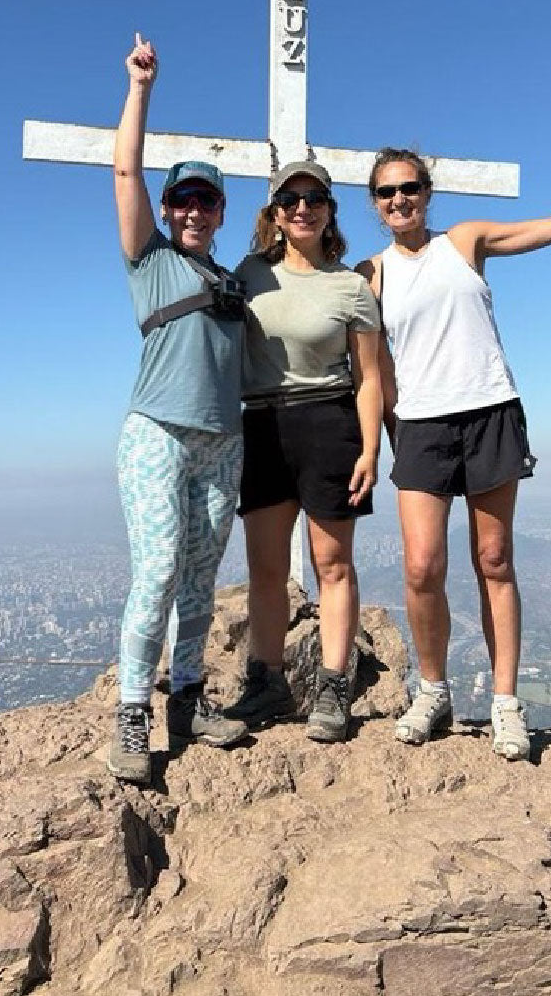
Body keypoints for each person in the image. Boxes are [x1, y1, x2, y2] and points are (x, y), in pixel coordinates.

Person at [357, 127, 551, 761]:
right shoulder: (370, 274)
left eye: (409, 188)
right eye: (387, 192)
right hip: (421, 426)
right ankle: (433, 690)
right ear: (374, 202)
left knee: (495, 559)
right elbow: (375, 369)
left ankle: (505, 702)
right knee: (421, 567)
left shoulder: (464, 241)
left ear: (427, 192)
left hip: (488, 411)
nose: (399, 200)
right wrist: (386, 437)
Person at [107, 33, 249, 785]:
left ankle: (187, 697)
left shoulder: (233, 279)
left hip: (222, 442)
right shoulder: (150, 259)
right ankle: (134, 710)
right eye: (183, 200)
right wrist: (141, 88)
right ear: (167, 209)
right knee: (158, 569)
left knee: (199, 579)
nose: (194, 210)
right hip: (157, 433)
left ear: (222, 211)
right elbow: (124, 170)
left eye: (206, 200)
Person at [226, 162, 382, 743]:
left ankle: (334, 685)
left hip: (329, 424)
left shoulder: (350, 287)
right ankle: (266, 682)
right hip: (263, 424)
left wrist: (370, 449)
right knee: (265, 568)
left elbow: (369, 377)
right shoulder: (249, 275)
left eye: (314, 198)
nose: (302, 208)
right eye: (290, 199)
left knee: (333, 565)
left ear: (329, 211)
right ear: (274, 213)